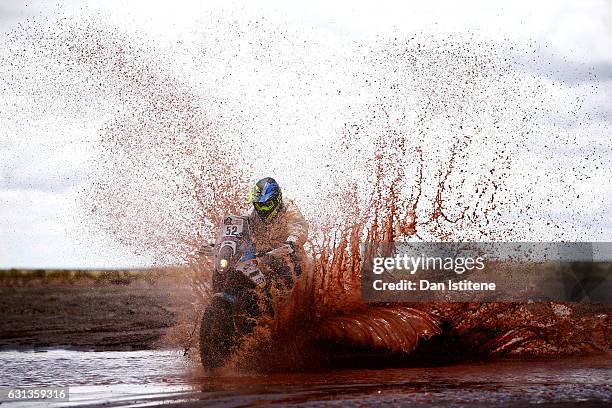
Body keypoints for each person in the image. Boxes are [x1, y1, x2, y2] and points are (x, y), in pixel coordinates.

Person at [246, 177, 308, 287]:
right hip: (262, 258)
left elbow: (299, 228)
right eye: (260, 205)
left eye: (267, 205)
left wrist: (291, 242)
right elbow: (242, 227)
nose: (263, 210)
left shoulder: (289, 209)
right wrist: (225, 242)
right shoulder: (252, 214)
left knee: (287, 274)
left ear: (277, 200)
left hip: (288, 256)